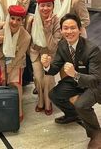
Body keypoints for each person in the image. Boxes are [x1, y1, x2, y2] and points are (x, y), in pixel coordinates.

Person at [41, 13, 101, 148]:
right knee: (54, 94)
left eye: (73, 28)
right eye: (65, 28)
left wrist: (75, 74)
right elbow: (55, 68)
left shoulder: (92, 49)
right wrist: (47, 65)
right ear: (61, 30)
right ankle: (72, 114)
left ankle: (96, 133)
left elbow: (96, 78)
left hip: (95, 84)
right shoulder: (63, 45)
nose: (69, 31)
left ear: (80, 29)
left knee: (81, 104)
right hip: (76, 81)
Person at [0, 5, 31, 122]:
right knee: (1, 80)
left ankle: (19, 109)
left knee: (16, 83)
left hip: (16, 61)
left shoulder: (26, 36)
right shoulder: (1, 27)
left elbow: (20, 55)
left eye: (18, 20)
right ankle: (2, 107)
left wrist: (10, 67)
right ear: (8, 17)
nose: (14, 22)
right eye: (12, 18)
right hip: (1, 57)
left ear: (22, 21)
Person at [29, 0, 61, 115]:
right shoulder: (32, 20)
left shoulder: (57, 20)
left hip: (50, 53)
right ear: (38, 6)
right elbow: (29, 40)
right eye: (42, 5)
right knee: (38, 77)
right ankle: (40, 100)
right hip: (36, 52)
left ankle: (48, 101)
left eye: (49, 5)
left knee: (48, 79)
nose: (45, 8)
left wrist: (47, 30)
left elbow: (53, 45)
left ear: (53, 6)